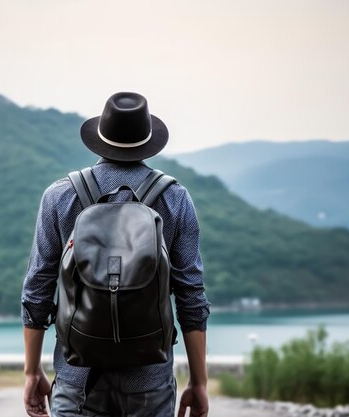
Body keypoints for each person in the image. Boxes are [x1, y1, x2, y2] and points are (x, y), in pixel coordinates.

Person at [21, 92, 210, 417]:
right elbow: (191, 297)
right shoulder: (175, 199)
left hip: (77, 378)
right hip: (150, 380)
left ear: (99, 138)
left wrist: (31, 371)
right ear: (148, 141)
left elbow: (37, 291)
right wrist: (199, 382)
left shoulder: (59, 196)